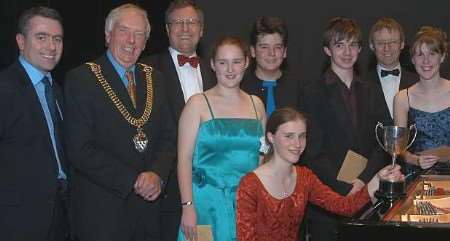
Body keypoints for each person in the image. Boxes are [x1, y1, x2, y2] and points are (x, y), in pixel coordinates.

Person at [64, 4, 176, 241]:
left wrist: (157, 174)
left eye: (139, 34)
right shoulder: (81, 79)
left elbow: (169, 136)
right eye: (124, 30)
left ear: (146, 42)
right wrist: (132, 181)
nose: (131, 40)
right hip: (102, 215)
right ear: (108, 35)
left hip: (149, 215)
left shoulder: (155, 78)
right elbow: (80, 149)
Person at [236, 108, 403, 241]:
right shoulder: (250, 183)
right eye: (289, 136)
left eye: (302, 136)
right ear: (271, 138)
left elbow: (344, 207)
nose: (297, 144)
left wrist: (377, 180)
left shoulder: (304, 177)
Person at [301, 17, 388, 241]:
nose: (347, 52)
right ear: (327, 50)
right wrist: (342, 186)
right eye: (339, 45)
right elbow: (311, 150)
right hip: (328, 200)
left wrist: (363, 181)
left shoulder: (372, 91)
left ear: (360, 49)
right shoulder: (311, 92)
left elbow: (384, 142)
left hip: (368, 193)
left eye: (352, 45)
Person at [177, 36, 266, 241]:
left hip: (247, 204)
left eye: (236, 62)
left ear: (246, 63)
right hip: (206, 204)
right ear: (212, 65)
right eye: (223, 62)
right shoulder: (197, 104)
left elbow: (262, 156)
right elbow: (184, 159)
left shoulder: (257, 105)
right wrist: (188, 207)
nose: (230, 69)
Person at [142, 1, 215, 240]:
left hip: (211, 189)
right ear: (166, 29)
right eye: (178, 22)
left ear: (202, 29)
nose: (185, 28)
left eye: (191, 22)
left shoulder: (217, 72)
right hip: (164, 189)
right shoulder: (146, 70)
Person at [0, 6, 68, 241]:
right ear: (20, 41)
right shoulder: (4, 88)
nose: (51, 46)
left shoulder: (57, 91)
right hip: (15, 223)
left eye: (57, 39)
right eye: (41, 37)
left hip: (59, 218)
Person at [394, 26, 450, 176]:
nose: (426, 61)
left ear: (442, 56)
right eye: (420, 55)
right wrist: (416, 160)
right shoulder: (402, 98)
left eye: (432, 53)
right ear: (413, 59)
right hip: (417, 179)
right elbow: (398, 148)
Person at [241, 16, 303, 117]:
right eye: (264, 47)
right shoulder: (241, 87)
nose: (272, 53)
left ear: (284, 52)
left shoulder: (300, 89)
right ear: (252, 51)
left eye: (277, 47)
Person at [366, 17, 418, 123]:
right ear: (372, 46)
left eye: (393, 42)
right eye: (380, 43)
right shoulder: (360, 84)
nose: (387, 48)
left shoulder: (418, 83)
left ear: (402, 44)